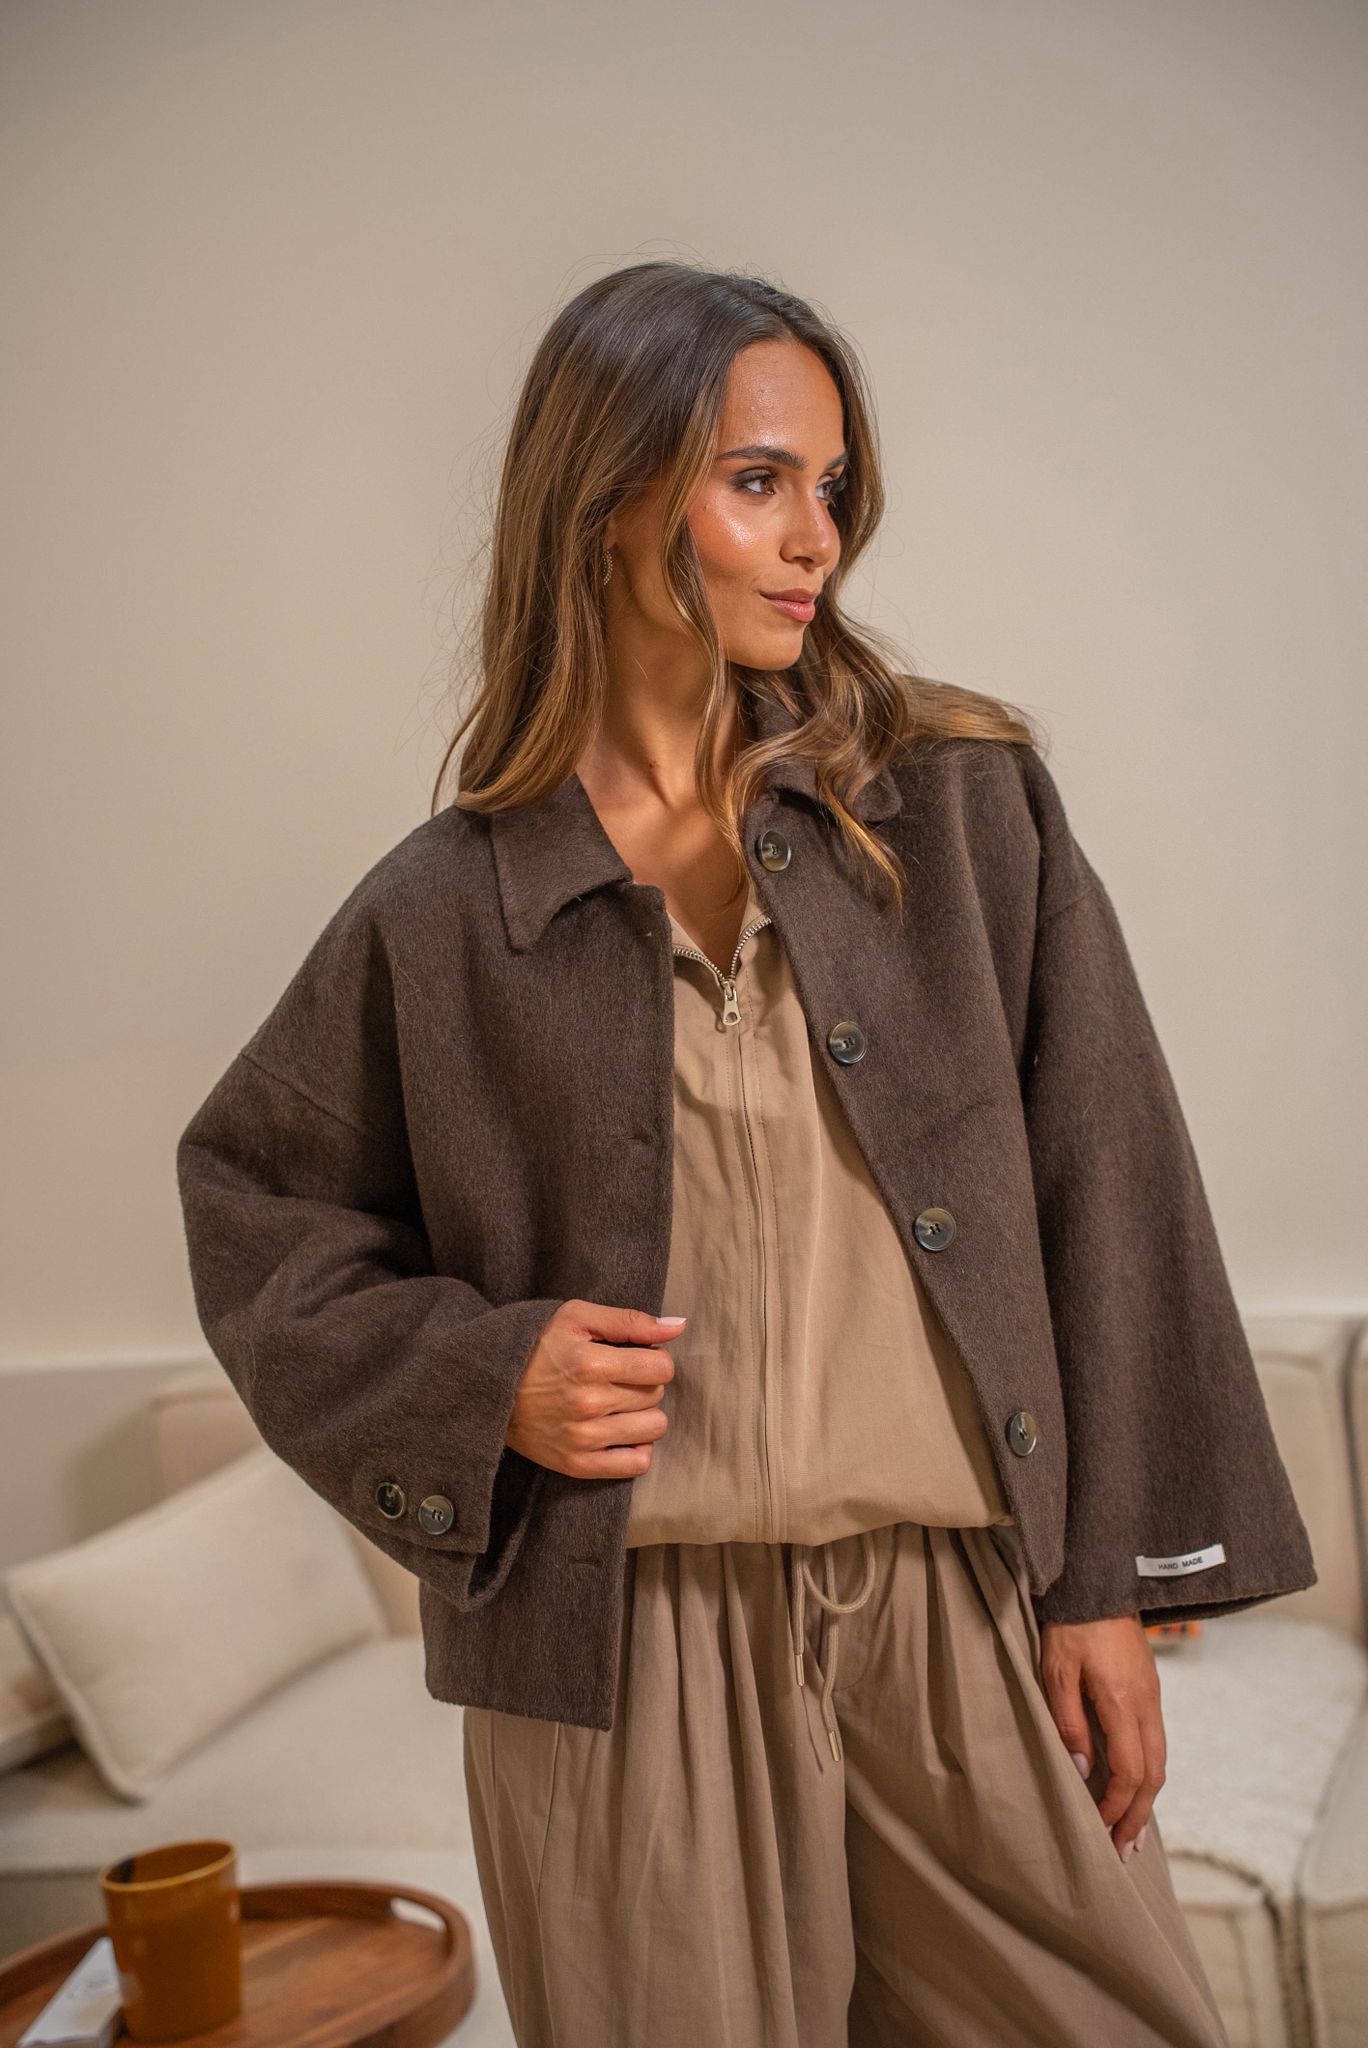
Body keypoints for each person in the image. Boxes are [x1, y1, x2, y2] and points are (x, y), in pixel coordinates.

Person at [177, 260, 1316, 2047]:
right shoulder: (450, 905)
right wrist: (484, 1378)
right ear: (611, 498)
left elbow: (1112, 1177)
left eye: (831, 486)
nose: (816, 540)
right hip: (618, 1649)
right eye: (759, 480)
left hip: (954, 1611)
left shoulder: (960, 811)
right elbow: (253, 1206)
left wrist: (1106, 1583)